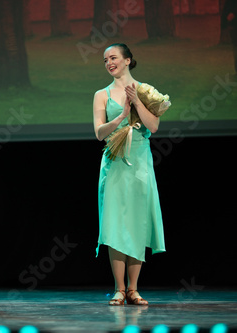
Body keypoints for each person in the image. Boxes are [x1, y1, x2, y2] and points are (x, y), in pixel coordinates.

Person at [92, 43, 166, 306]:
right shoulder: (101, 94)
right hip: (114, 160)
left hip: (139, 159)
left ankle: (133, 289)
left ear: (127, 60)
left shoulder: (144, 90)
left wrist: (136, 102)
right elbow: (99, 133)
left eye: (113, 58)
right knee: (114, 222)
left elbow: (153, 126)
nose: (109, 62)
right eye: (105, 60)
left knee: (136, 221)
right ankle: (119, 289)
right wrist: (121, 115)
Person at [222, 0, 237, 74]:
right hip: (233, 24)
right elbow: (226, 8)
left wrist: (233, 13)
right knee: (235, 47)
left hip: (233, 22)